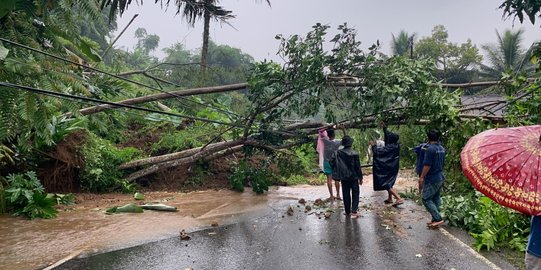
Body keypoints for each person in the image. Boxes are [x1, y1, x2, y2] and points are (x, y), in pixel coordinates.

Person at [418, 129, 446, 228]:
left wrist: (422, 176)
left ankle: (438, 218)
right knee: (435, 198)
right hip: (440, 176)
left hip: (432, 178)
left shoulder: (430, 149)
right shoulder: (442, 148)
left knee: (426, 199)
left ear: (428, 138)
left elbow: (427, 165)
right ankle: (435, 219)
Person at [329, 136, 363, 217]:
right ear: (351, 143)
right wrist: (360, 177)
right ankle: (354, 211)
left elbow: (331, 162)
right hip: (354, 177)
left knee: (345, 194)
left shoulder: (337, 153)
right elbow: (358, 167)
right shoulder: (355, 153)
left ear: (343, 144)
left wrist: (338, 169)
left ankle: (347, 211)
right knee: (355, 193)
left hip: (344, 177)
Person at [371, 127, 403, 206]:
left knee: (386, 183)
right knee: (389, 182)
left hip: (388, 167)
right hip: (393, 166)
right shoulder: (396, 145)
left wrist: (374, 146)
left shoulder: (389, 148)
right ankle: (390, 198)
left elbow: (378, 152)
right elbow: (388, 135)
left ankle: (398, 198)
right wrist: (384, 128)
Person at [318, 128, 342, 201]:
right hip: (335, 162)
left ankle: (331, 196)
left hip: (326, 162)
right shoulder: (336, 143)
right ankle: (338, 195)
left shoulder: (325, 141)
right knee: (337, 179)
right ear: (334, 135)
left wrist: (326, 128)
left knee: (329, 179)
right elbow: (346, 138)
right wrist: (343, 129)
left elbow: (320, 132)